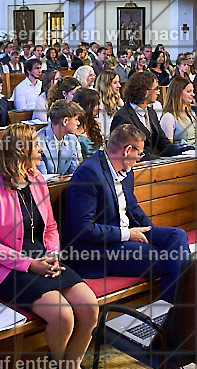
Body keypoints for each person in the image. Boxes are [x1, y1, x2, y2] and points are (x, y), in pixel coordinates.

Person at [0, 124, 101, 369]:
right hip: (8, 269)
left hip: (43, 259)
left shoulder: (38, 179)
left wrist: (52, 254)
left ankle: (71, 367)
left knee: (90, 306)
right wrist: (30, 264)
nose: (41, 149)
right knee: (63, 315)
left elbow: (51, 227)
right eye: (35, 144)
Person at [64, 124, 190, 302]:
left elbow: (133, 207)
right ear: (128, 150)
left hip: (126, 234)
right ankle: (180, 308)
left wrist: (152, 232)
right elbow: (84, 228)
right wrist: (128, 234)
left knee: (177, 235)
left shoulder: (126, 171)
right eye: (139, 153)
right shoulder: (89, 173)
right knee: (168, 259)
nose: (139, 158)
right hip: (100, 249)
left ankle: (180, 306)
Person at [111, 71, 177, 161]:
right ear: (145, 92)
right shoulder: (122, 117)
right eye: (156, 88)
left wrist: (186, 151)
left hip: (153, 164)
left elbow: (164, 145)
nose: (158, 92)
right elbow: (131, 153)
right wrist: (158, 160)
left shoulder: (151, 112)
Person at [38, 100, 85, 177]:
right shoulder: (38, 141)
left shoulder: (73, 140)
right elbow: (42, 177)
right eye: (76, 119)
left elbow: (76, 171)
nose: (78, 123)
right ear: (65, 121)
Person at [159, 77, 197, 150]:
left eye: (192, 91)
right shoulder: (168, 117)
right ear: (178, 93)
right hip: (183, 153)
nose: (193, 94)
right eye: (189, 91)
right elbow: (168, 148)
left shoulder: (191, 113)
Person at [72, 88, 104, 157]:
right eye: (97, 104)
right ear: (88, 106)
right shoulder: (72, 132)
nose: (100, 108)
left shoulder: (93, 126)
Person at [94, 70, 122, 139]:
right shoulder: (99, 104)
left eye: (118, 82)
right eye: (115, 83)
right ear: (106, 85)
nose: (119, 85)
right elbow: (101, 131)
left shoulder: (119, 101)